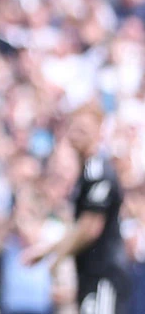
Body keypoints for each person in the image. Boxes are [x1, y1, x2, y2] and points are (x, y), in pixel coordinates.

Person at [23, 103, 131, 314]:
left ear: (98, 133)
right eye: (74, 127)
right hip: (90, 275)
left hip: (103, 275)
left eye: (84, 130)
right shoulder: (86, 173)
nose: (76, 135)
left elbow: (90, 228)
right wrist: (47, 250)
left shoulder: (98, 171)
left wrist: (57, 256)